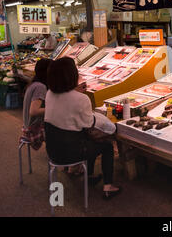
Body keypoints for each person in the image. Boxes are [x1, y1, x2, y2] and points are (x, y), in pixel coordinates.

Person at [44, 57, 121, 200]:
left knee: (86, 139)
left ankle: (90, 175)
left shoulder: (49, 94)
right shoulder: (80, 98)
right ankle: (108, 186)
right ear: (72, 75)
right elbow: (89, 123)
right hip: (71, 152)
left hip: (52, 150)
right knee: (106, 146)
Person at [20, 59, 52, 150]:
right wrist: (54, 108)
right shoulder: (40, 87)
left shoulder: (34, 84)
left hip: (27, 126)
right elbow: (33, 111)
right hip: (33, 128)